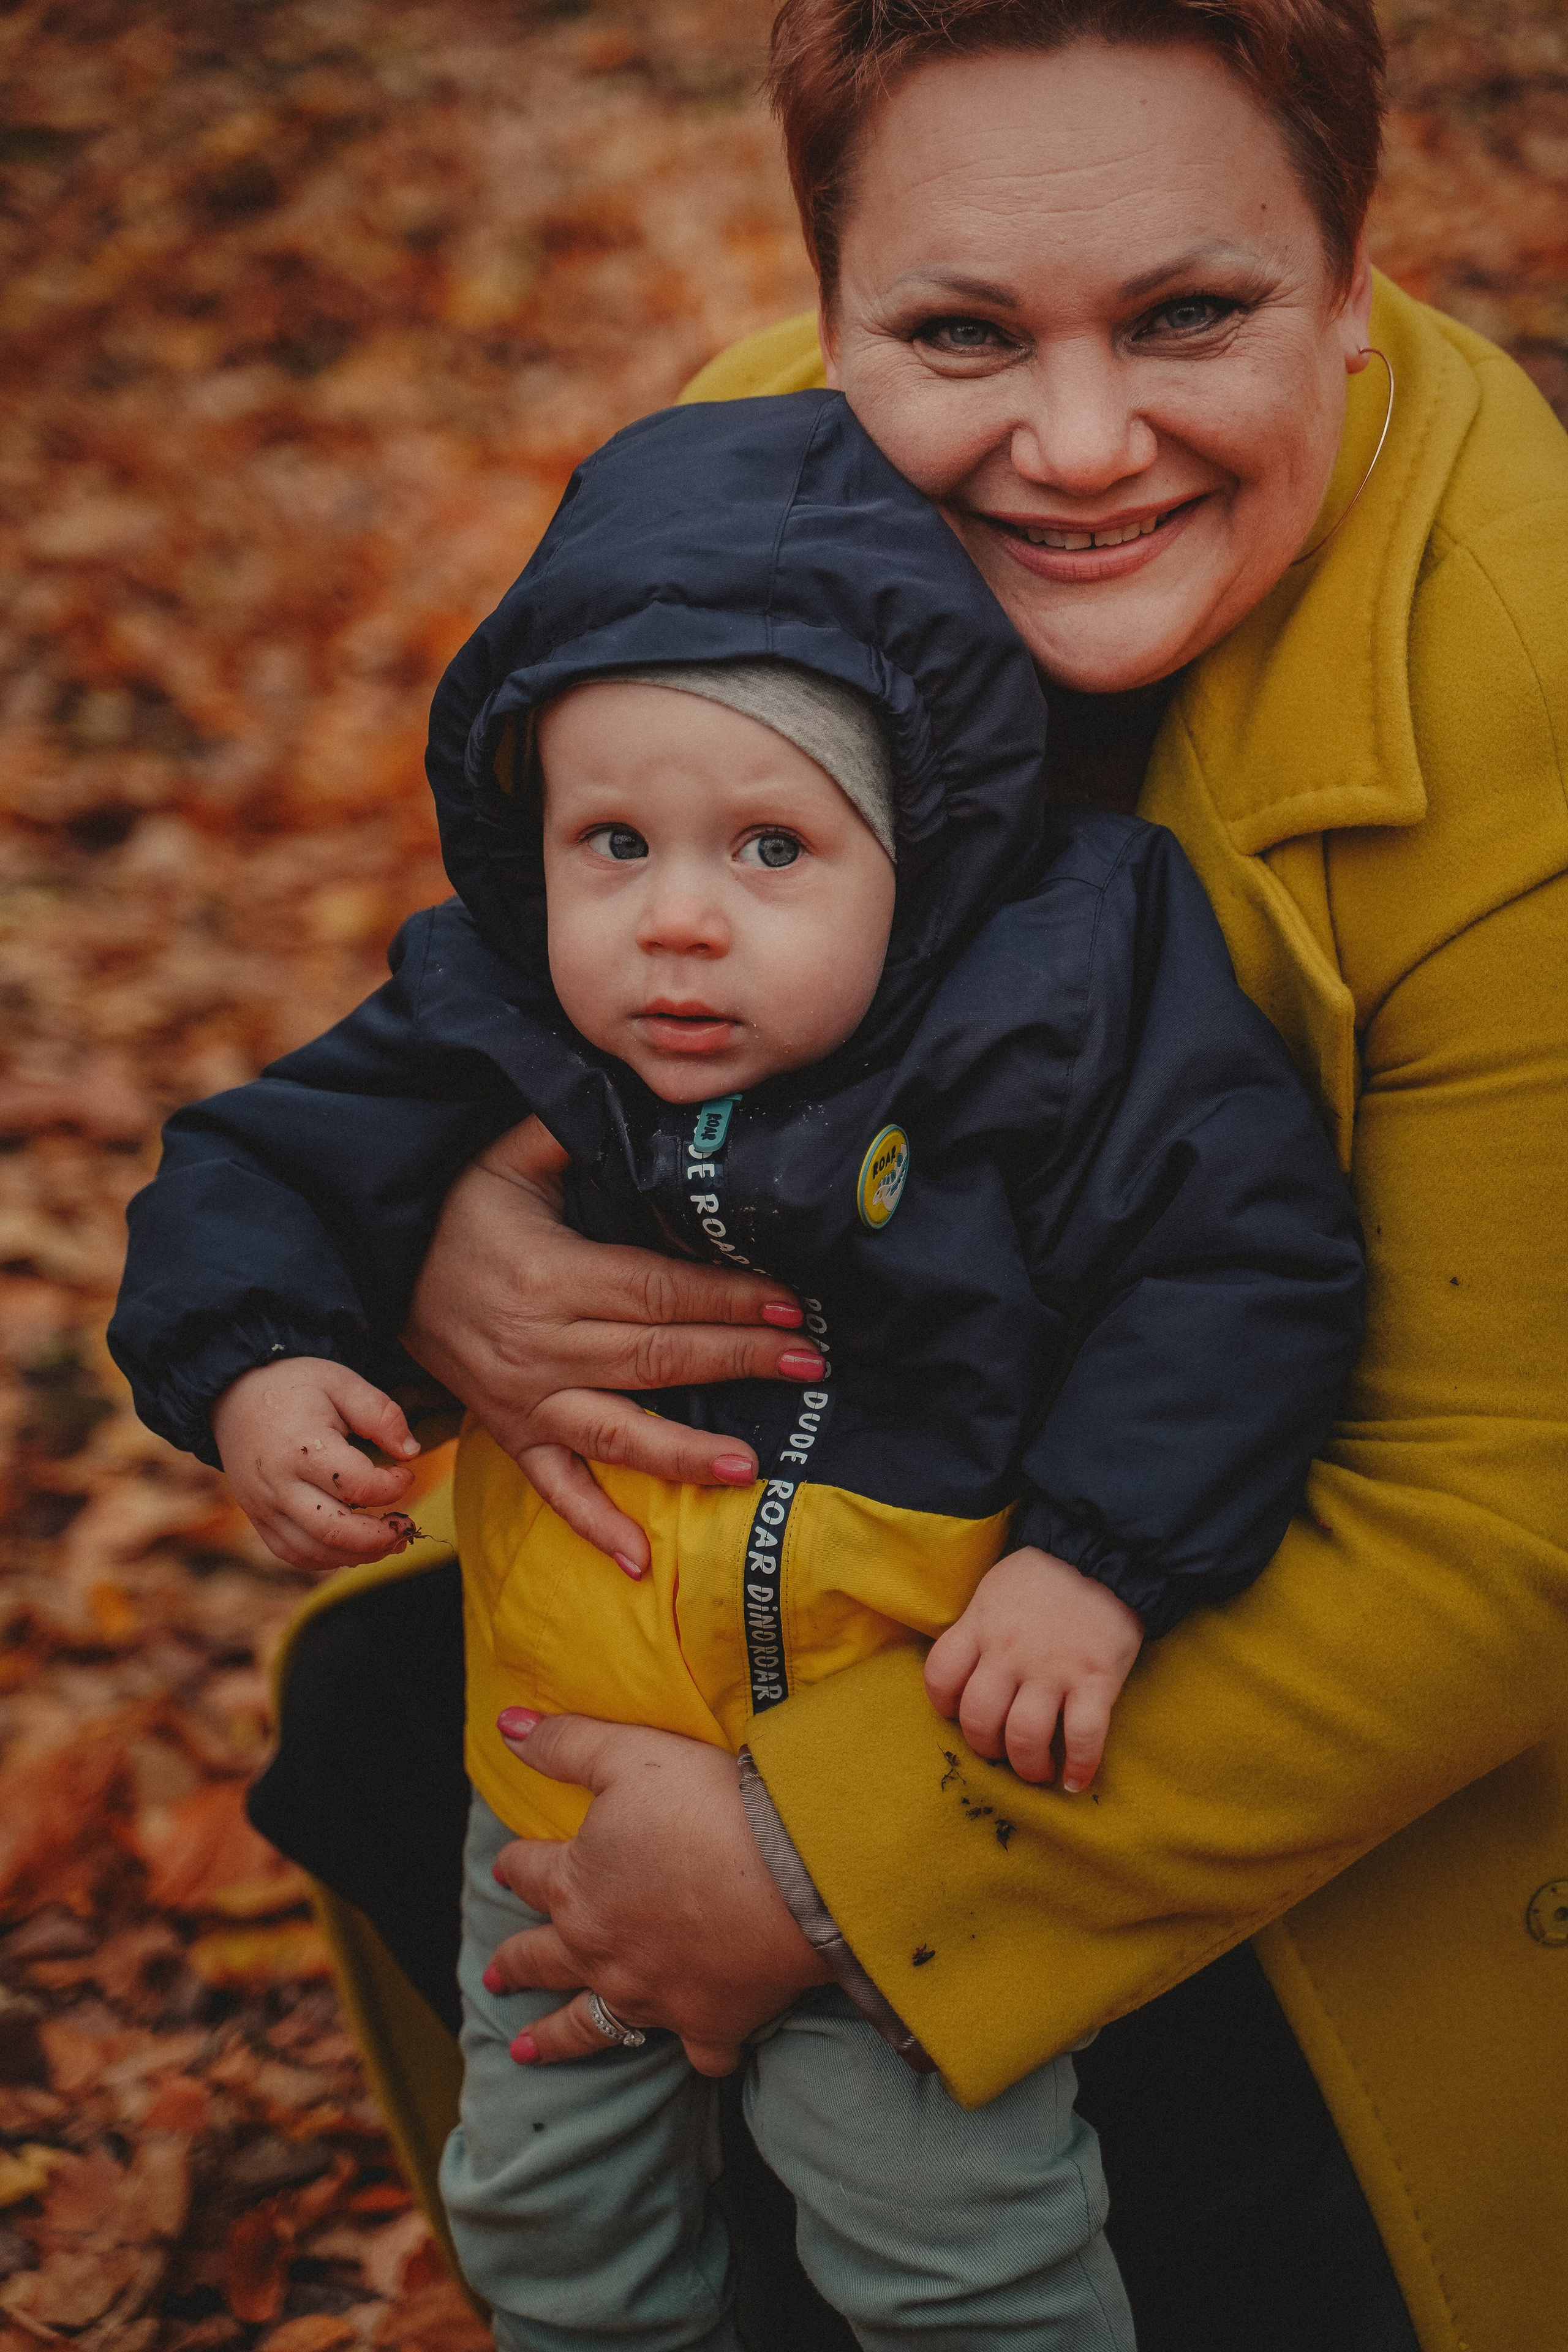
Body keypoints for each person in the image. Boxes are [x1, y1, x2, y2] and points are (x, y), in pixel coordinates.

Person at [115, 2, 1568, 2346]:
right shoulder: (736, 473)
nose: (1081, 443)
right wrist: (434, 1261)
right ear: (826, 293)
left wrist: (821, 1860)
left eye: (1192, 312)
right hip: (813, 1511)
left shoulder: (1532, 682)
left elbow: (1500, 1539)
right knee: (397, 1739)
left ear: (1354, 274)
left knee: (1006, 2162)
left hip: (1245, 1647)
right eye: (959, 329)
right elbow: (531, 975)